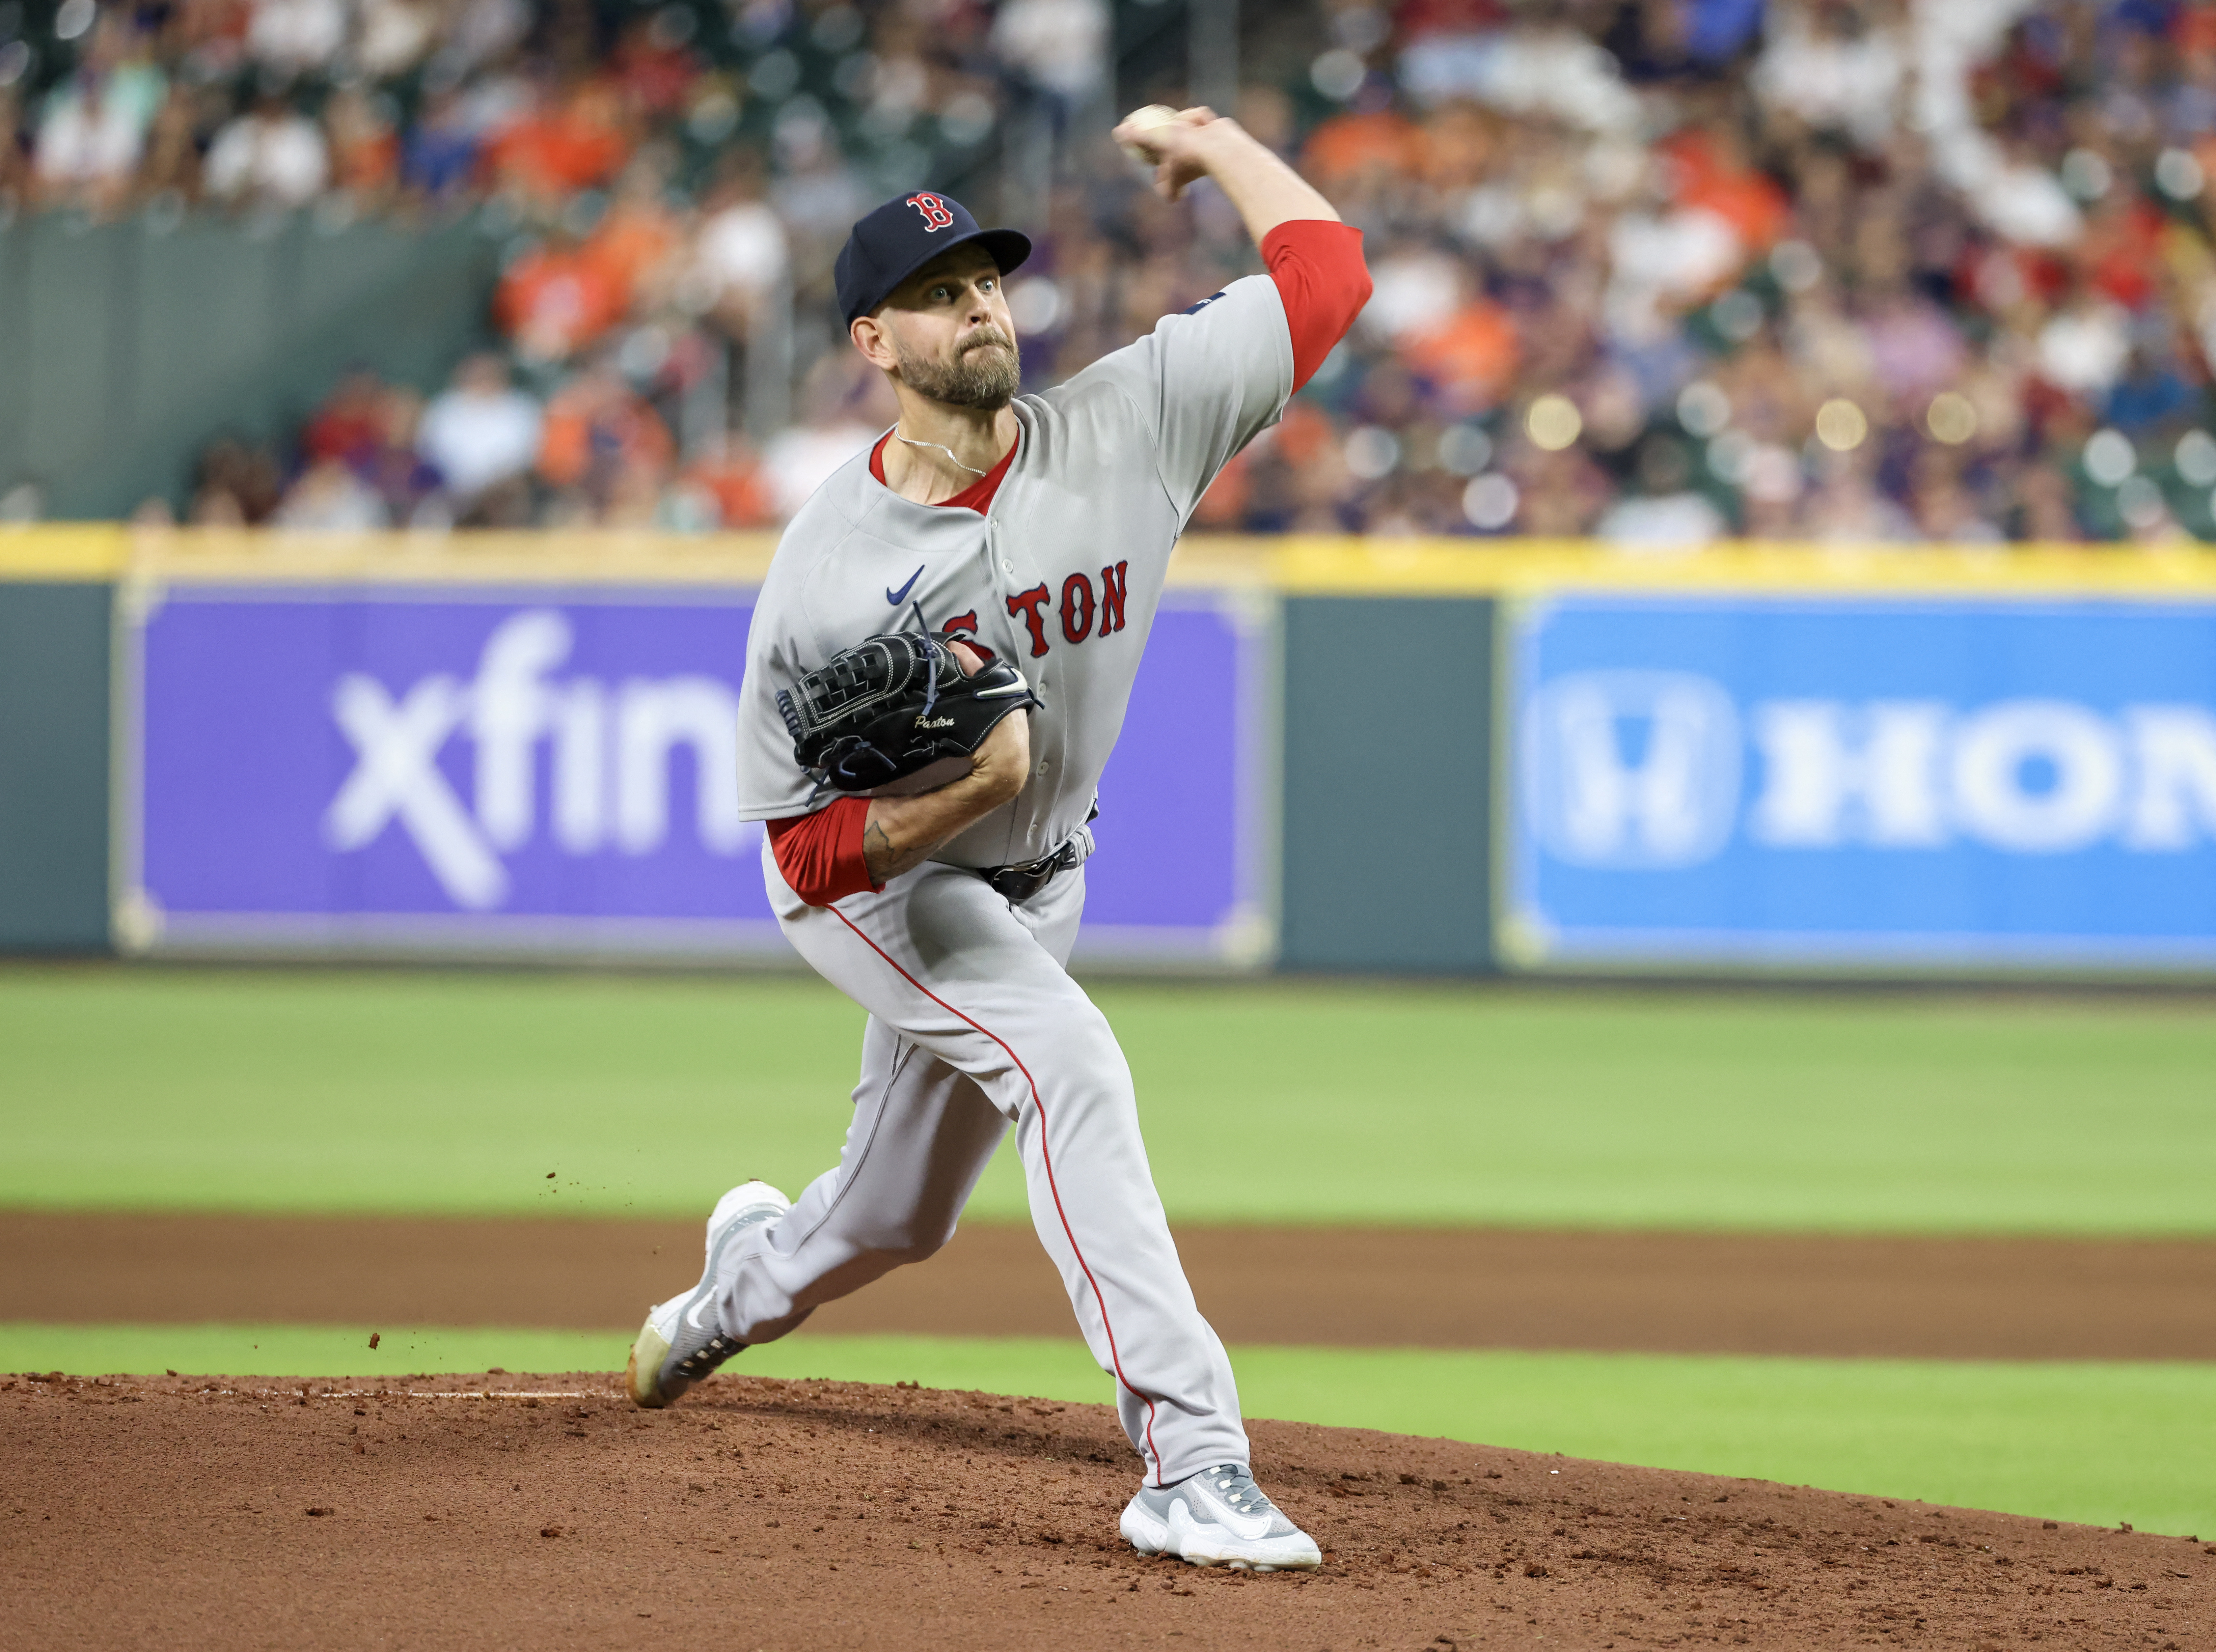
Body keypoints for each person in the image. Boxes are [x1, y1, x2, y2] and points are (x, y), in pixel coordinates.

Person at [623, 108, 1371, 1572]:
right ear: (873, 343)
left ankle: (730, 1293)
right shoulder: (825, 577)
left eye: (983, 279)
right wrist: (957, 799)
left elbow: (1328, 275)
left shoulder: (1129, 423)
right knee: (1071, 1063)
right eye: (936, 291)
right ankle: (1189, 1456)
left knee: (893, 1219)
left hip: (1045, 875)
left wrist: (1212, 142)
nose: (976, 306)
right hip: (892, 888)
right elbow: (802, 856)